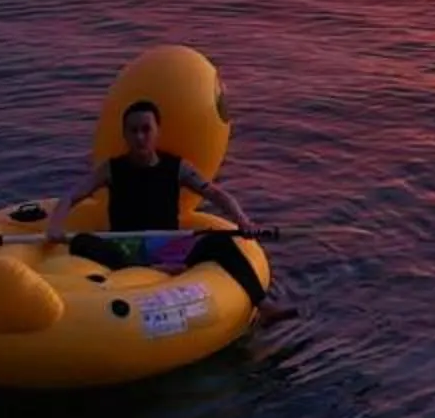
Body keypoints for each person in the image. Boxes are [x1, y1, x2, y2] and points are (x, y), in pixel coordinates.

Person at [43, 99, 289, 319]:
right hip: (127, 246)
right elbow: (71, 197)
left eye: (146, 129)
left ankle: (263, 303)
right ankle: (151, 270)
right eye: (133, 130)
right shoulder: (111, 169)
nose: (140, 137)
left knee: (221, 243)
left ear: (157, 132)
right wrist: (55, 226)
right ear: (125, 135)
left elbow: (215, 193)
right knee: (81, 242)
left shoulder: (177, 167)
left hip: (169, 245)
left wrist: (242, 220)